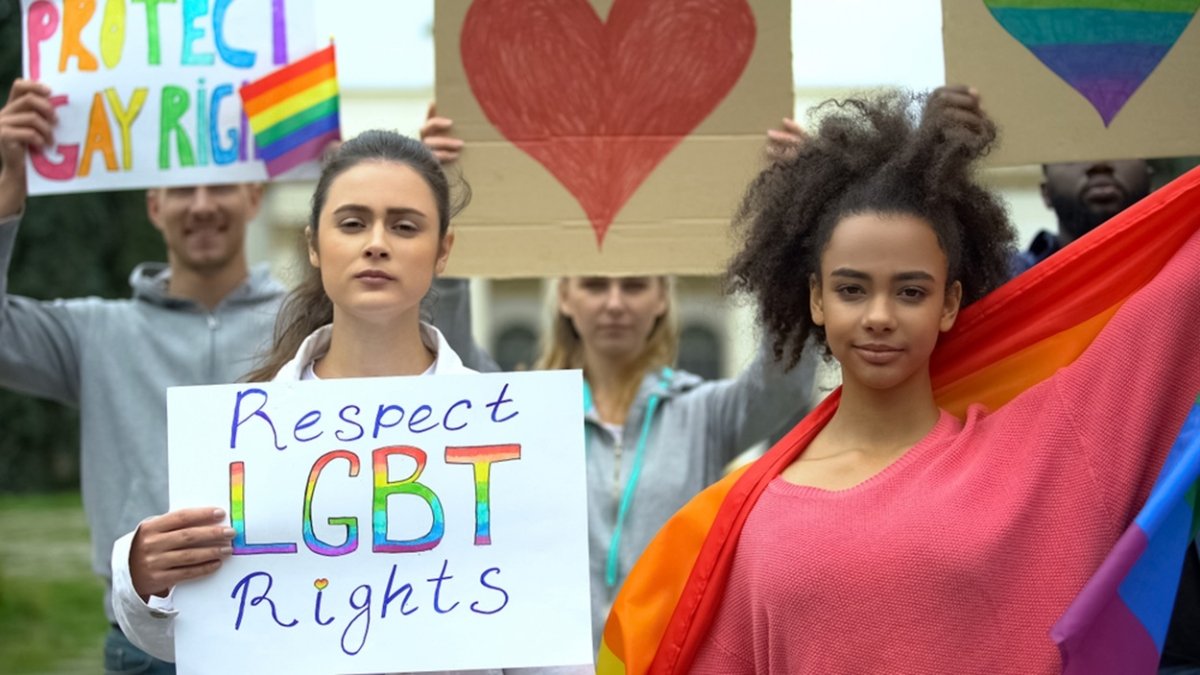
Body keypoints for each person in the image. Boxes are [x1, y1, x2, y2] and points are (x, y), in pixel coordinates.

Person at [606, 91, 1200, 673]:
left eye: (911, 291)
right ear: (815, 298)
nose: (880, 315)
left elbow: (1175, 302)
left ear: (950, 302)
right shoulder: (747, 521)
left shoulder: (1045, 448)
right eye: (851, 288)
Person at [0, 79, 490, 674]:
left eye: (222, 184)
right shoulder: (95, 331)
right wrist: (5, 198)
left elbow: (452, 385)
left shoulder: (334, 317)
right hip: (175, 629)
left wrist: (400, 179)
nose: (203, 203)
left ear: (255, 197)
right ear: (152, 205)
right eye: (182, 188)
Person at [109, 130, 587, 674]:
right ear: (315, 244)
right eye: (353, 223)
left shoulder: (504, 428)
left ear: (443, 250)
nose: (377, 243)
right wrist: (142, 572)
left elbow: (546, 643)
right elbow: (198, 636)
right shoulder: (244, 431)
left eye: (405, 226)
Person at [421, 112, 821, 650]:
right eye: (594, 285)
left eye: (634, 285)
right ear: (564, 296)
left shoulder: (701, 411)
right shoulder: (523, 408)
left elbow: (784, 383)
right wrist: (438, 189)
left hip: (670, 657)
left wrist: (793, 213)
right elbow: (450, 357)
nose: (614, 303)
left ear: (661, 299)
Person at [1012, 158, 1153, 275]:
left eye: (1120, 150)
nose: (1099, 166)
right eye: (1074, 155)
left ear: (1150, 180)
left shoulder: (1174, 269)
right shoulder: (1002, 282)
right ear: (1046, 192)